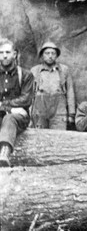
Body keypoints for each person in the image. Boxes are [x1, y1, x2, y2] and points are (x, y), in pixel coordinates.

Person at [0, 39, 34, 167]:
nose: (4, 55)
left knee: (9, 118)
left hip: (19, 117)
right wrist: (8, 108)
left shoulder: (25, 75)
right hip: (5, 112)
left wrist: (4, 107)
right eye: (1, 52)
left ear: (14, 54)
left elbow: (26, 99)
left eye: (7, 52)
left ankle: (4, 153)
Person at [30, 42, 75, 130]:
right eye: (47, 53)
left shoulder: (64, 70)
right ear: (42, 55)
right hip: (40, 110)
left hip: (59, 110)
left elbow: (70, 91)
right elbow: (30, 94)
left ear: (56, 55)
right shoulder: (34, 71)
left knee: (59, 137)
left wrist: (71, 113)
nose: (50, 56)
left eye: (53, 53)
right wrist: (29, 115)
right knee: (40, 137)